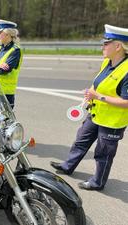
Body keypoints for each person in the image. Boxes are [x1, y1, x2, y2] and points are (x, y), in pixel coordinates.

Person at [50, 24, 128, 191]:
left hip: (112, 122)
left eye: (106, 43)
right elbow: (99, 85)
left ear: (118, 46)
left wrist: (98, 96)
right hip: (96, 113)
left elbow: (126, 101)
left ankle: (97, 182)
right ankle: (67, 166)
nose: (103, 46)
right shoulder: (107, 62)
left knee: (103, 153)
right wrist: (89, 93)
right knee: (81, 141)